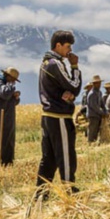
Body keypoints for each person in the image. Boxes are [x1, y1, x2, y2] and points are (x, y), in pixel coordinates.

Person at [35, 30, 82, 197]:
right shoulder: (56, 63)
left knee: (49, 158)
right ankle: (70, 190)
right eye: (68, 46)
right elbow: (74, 85)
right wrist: (75, 67)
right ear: (58, 45)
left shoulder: (45, 63)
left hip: (48, 116)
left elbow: (64, 88)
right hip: (59, 116)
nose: (70, 51)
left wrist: (68, 92)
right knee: (66, 155)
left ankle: (41, 194)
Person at [85, 75, 107, 143]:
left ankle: (93, 142)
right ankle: (90, 143)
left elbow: (102, 103)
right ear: (94, 84)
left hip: (97, 115)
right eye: (97, 83)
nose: (99, 84)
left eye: (99, 83)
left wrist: (105, 111)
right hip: (93, 115)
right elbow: (94, 107)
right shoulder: (92, 94)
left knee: (97, 130)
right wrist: (102, 113)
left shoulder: (99, 92)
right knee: (92, 131)